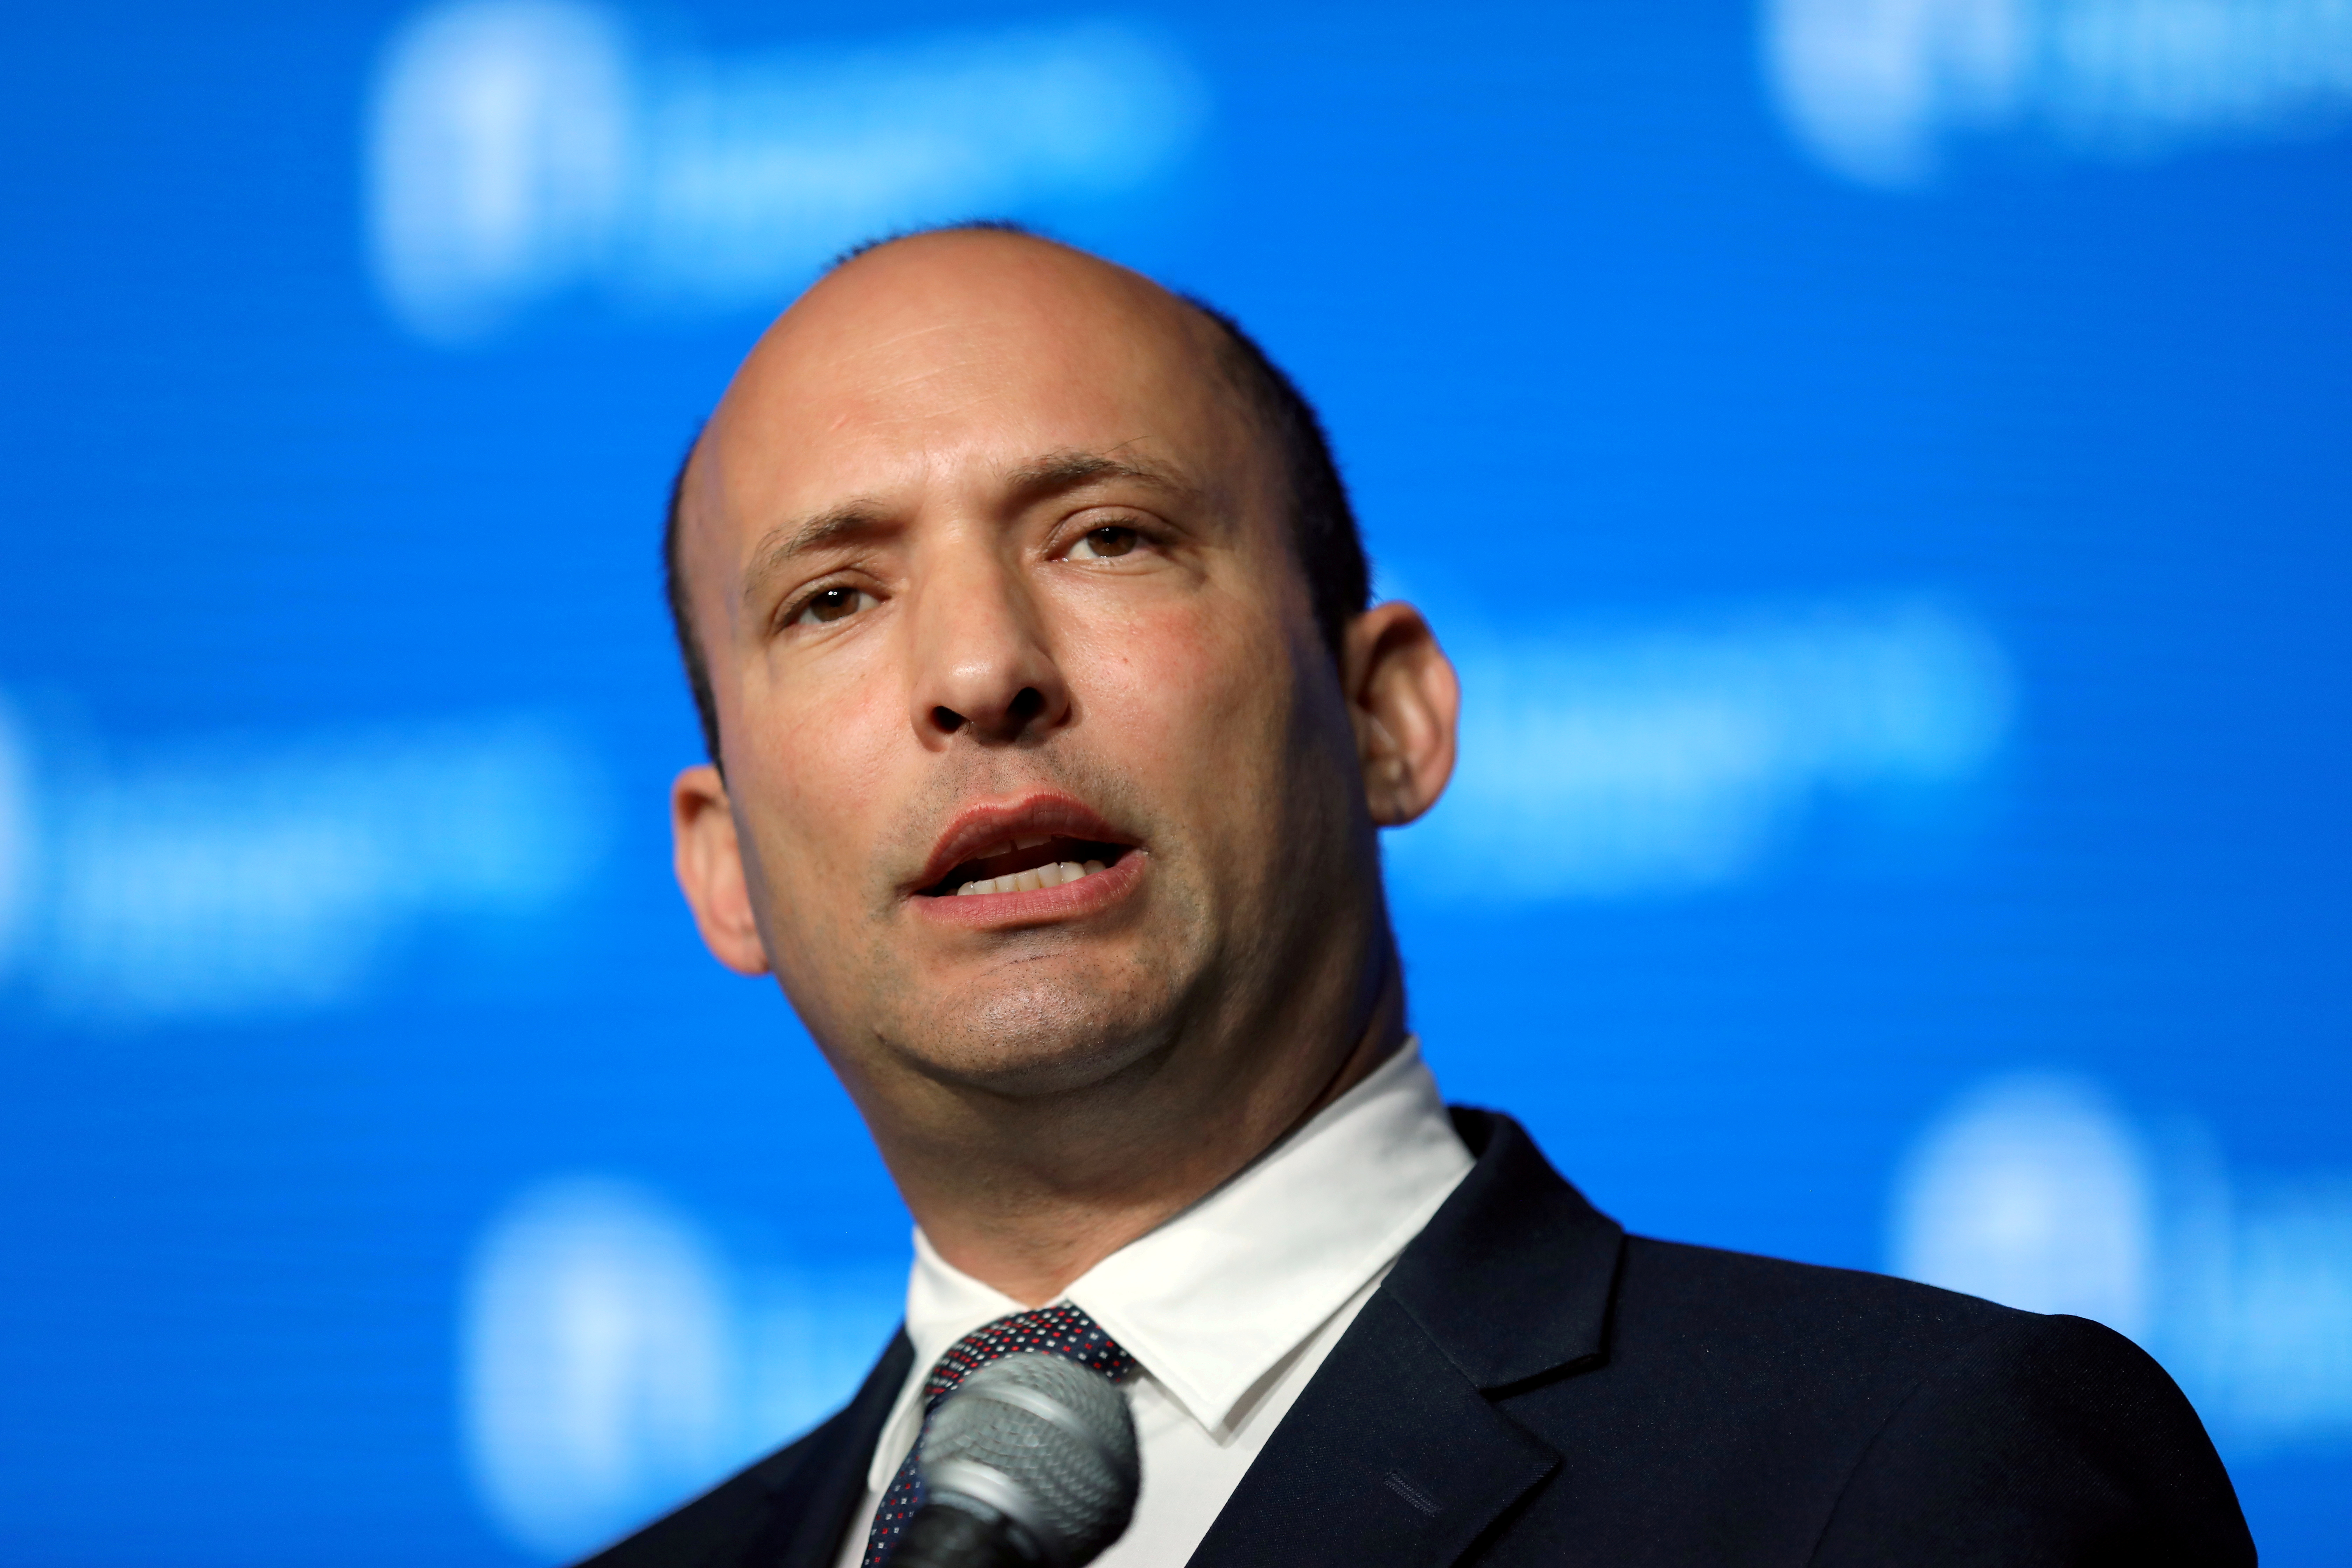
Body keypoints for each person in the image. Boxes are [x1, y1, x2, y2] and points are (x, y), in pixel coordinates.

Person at [588, 225, 2252, 1568]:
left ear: (1386, 715)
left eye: (1106, 538)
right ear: (723, 866)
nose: (978, 671)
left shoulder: (1914, 1476)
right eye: (832, 598)